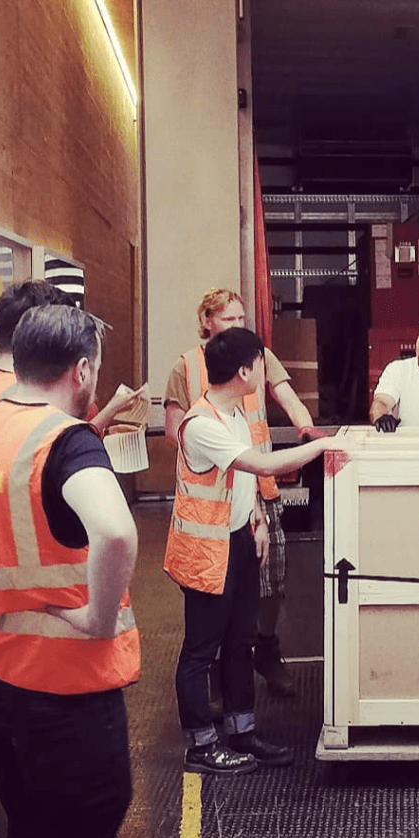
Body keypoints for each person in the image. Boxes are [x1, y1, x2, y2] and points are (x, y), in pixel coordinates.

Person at [0, 279, 145, 838]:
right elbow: (117, 533)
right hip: (69, 685)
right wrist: (99, 619)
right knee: (89, 814)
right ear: (82, 371)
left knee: (28, 816)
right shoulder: (67, 440)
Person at [167, 327, 347, 775]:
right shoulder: (203, 423)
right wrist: (323, 444)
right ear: (245, 370)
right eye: (261, 363)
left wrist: (258, 522)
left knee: (240, 640)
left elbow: (243, 479)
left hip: (240, 540)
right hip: (208, 550)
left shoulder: (235, 415)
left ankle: (242, 731)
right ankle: (201, 746)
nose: (266, 370)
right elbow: (261, 464)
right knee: (201, 649)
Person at [164, 288, 320, 697]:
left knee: (270, 581)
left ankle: (264, 648)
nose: (237, 326)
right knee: (216, 596)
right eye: (228, 319)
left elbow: (288, 398)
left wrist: (307, 430)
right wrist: (215, 449)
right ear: (208, 323)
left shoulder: (259, 356)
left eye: (241, 318)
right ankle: (216, 672)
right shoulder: (188, 368)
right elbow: (174, 430)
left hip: (257, 485)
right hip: (216, 492)